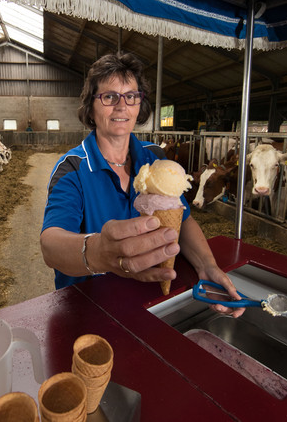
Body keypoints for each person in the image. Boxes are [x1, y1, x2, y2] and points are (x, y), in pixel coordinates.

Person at [40, 52, 243, 317]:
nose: (121, 106)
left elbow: (183, 219)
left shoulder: (155, 157)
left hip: (150, 297)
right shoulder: (73, 168)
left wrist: (207, 266)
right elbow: (50, 245)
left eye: (131, 96)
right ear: (91, 106)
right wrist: (100, 252)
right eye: (109, 96)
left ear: (139, 105)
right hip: (89, 306)